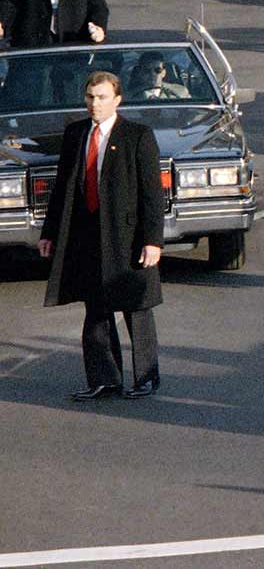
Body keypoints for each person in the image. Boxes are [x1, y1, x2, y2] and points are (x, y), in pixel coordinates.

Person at [36, 71, 165, 402]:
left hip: (128, 236)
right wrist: (49, 233)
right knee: (95, 309)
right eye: (90, 97)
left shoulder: (138, 136)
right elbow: (62, 188)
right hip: (87, 235)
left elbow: (152, 193)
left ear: (118, 100)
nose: (95, 104)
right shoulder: (76, 134)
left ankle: (146, 377)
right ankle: (105, 379)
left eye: (102, 97)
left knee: (136, 307)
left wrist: (153, 240)